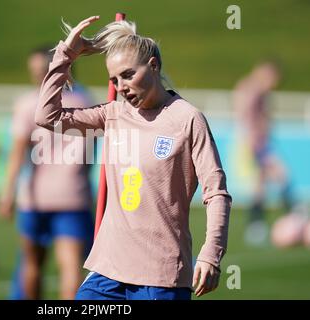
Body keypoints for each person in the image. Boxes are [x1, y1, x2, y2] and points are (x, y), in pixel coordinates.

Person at [35, 16, 232, 300]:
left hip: (161, 277)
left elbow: (217, 193)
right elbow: (47, 117)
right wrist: (66, 55)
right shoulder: (114, 113)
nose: (121, 86)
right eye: (114, 80)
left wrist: (211, 253)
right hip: (107, 272)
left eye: (128, 75)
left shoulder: (187, 119)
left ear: (153, 65)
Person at [0, 46, 95, 300]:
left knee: (32, 264)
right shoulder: (86, 101)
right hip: (73, 195)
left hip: (35, 196)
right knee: (70, 266)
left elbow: (17, 154)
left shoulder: (29, 103)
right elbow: (91, 157)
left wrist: (7, 193)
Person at [233, 61, 293, 246]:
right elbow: (246, 117)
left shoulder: (258, 91)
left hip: (260, 143)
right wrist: (254, 144)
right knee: (273, 180)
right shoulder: (252, 90)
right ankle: (269, 223)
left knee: (268, 183)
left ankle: (271, 223)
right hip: (254, 144)